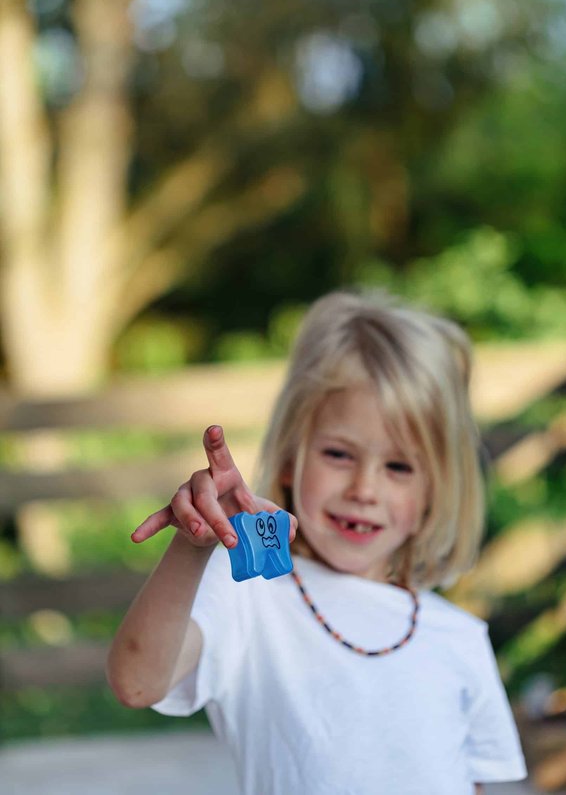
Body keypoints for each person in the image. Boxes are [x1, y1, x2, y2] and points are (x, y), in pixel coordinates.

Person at [106, 289, 527, 795]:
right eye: (338, 454)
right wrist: (193, 547)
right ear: (290, 457)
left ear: (438, 488)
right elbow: (136, 682)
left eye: (398, 466)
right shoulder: (251, 593)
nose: (364, 490)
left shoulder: (459, 639)